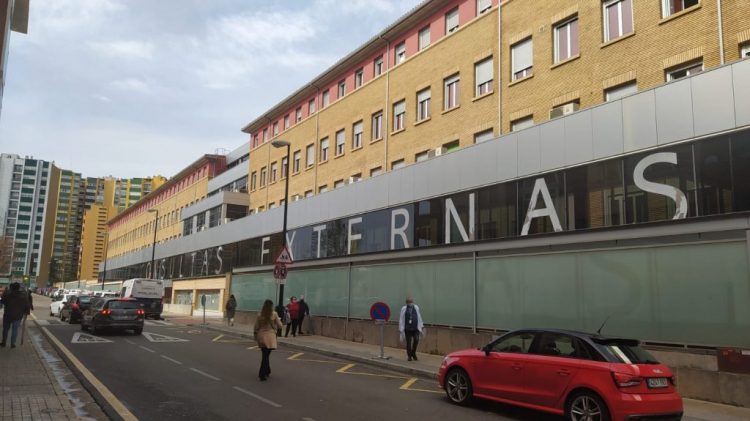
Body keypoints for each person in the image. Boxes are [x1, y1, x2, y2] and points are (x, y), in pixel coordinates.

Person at [253, 299, 282, 381]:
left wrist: (255, 335)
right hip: (270, 336)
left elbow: (256, 327)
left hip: (261, 336)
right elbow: (280, 326)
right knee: (266, 355)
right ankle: (262, 374)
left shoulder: (260, 314)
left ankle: (267, 371)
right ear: (271, 306)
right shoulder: (274, 314)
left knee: (265, 355)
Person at [1, 282, 31, 349]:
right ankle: (13, 344)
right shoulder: (23, 295)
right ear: (18, 288)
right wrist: (26, 313)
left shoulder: (7, 294)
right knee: (15, 330)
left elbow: (2, 302)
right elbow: (27, 305)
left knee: (5, 329)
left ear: (11, 288)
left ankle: (4, 342)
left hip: (7, 315)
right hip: (18, 316)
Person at [398, 296, 424, 361]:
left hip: (416, 328)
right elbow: (401, 318)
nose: (410, 303)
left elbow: (419, 316)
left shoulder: (416, 307)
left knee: (416, 340)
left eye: (411, 302)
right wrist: (401, 328)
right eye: (409, 302)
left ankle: (413, 353)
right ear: (406, 303)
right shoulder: (404, 308)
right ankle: (409, 356)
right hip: (407, 329)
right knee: (409, 343)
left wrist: (421, 325)